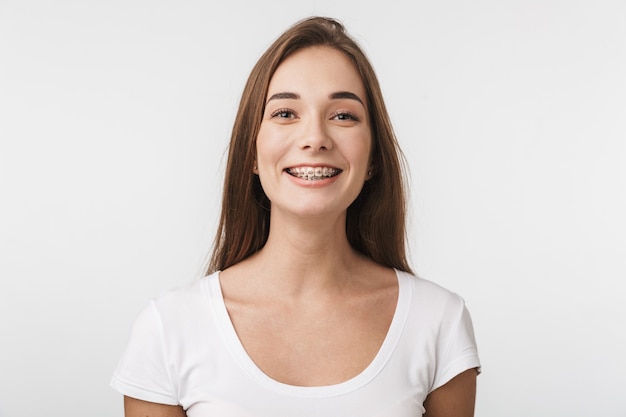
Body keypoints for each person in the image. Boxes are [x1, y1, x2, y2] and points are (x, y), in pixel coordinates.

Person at [111, 16, 481, 417]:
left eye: (343, 115)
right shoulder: (169, 329)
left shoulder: (437, 321)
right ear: (252, 152)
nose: (315, 138)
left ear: (373, 157)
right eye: (286, 113)